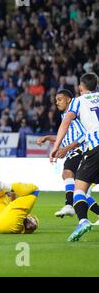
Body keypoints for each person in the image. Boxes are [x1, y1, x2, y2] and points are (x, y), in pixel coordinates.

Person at [50, 73, 99, 241]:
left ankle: (83, 220)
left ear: (80, 87)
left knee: (79, 188)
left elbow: (65, 123)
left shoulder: (78, 101)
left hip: (94, 148)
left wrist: (56, 147)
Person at [37, 89, 99, 221]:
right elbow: (67, 138)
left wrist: (66, 149)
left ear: (68, 100)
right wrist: (49, 138)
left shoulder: (75, 115)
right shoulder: (64, 116)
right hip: (80, 150)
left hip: (82, 150)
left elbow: (84, 135)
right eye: (56, 100)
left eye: (60, 99)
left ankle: (69, 205)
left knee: (67, 173)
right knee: (82, 191)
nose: (57, 102)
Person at [0, 167, 39, 234]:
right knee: (5, 194)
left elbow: (30, 226)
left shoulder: (20, 216)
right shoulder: (13, 211)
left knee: (34, 190)